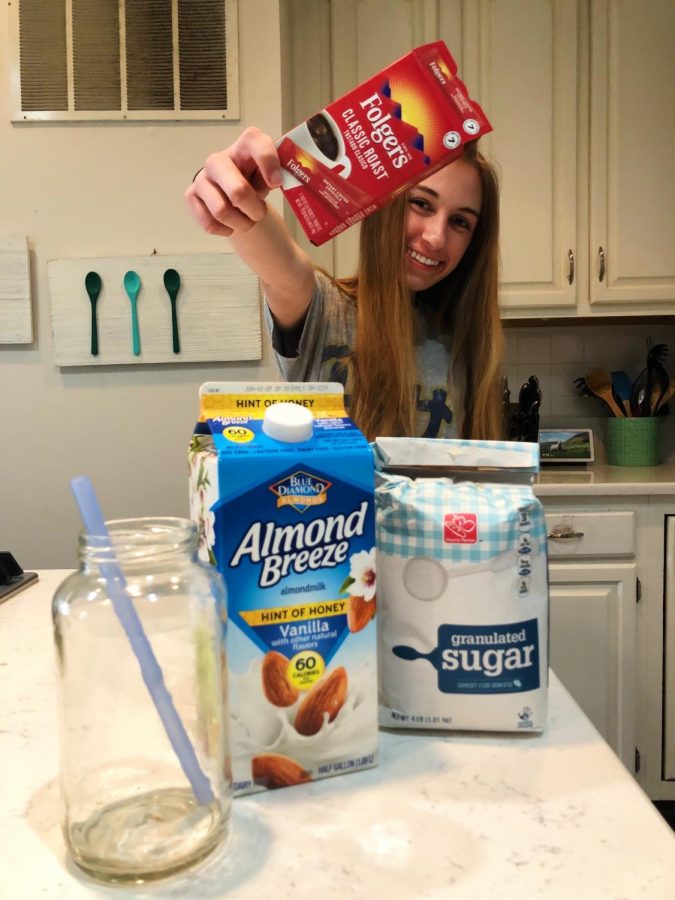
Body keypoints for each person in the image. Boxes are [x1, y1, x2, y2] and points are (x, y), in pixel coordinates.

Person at [185, 127, 504, 441]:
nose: (436, 237)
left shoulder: (466, 344)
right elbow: (279, 263)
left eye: (460, 222)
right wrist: (233, 189)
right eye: (421, 203)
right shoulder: (325, 312)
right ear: (386, 205)